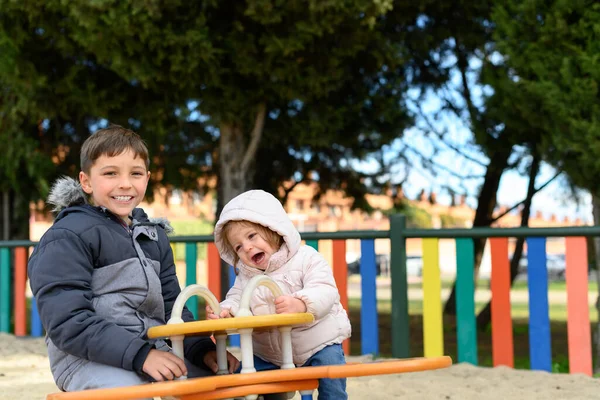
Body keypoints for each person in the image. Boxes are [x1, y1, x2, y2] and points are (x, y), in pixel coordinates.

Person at [27, 125, 239, 394]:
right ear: (86, 181)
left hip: (156, 350)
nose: (125, 183)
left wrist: (200, 351)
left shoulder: (153, 237)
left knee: (223, 386)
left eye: (135, 174)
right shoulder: (67, 236)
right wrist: (142, 356)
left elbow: (172, 307)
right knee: (133, 393)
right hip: (86, 359)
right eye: (110, 173)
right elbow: (68, 321)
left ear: (147, 179)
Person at [207, 189, 351, 400]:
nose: (247, 247)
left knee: (332, 377)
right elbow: (237, 299)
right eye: (238, 247)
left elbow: (325, 290)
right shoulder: (246, 276)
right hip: (270, 355)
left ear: (273, 229)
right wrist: (226, 311)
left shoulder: (306, 258)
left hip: (317, 345)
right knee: (240, 380)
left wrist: (301, 303)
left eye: (252, 236)